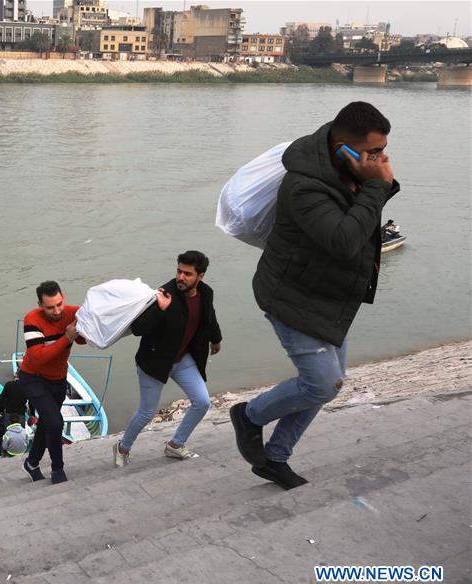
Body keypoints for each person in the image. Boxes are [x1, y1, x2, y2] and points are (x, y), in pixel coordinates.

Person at [231, 101, 399, 490]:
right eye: (373, 152)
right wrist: (376, 185)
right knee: (321, 384)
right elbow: (343, 240)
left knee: (330, 383)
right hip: (294, 296)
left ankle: (275, 458)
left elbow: (360, 221)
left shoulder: (344, 170)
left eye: (382, 150)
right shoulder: (305, 185)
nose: (381, 158)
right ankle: (249, 416)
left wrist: (375, 183)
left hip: (329, 295)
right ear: (343, 146)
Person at [113, 251, 223, 467]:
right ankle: (122, 447)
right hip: (154, 363)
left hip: (182, 360)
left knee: (202, 402)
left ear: (200, 276)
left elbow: (209, 316)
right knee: (147, 412)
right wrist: (161, 309)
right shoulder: (163, 294)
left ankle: (175, 445)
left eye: (187, 274)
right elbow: (138, 328)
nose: (181, 277)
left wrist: (216, 339)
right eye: (179, 271)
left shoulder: (206, 293)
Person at [18, 280, 85, 485]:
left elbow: (83, 339)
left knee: (47, 422)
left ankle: (32, 462)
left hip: (58, 379)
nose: (57, 311)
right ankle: (58, 470)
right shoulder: (32, 320)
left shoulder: (73, 312)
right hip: (33, 377)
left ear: (63, 298)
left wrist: (82, 328)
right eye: (50, 307)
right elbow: (38, 358)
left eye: (59, 304)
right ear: (40, 305)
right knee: (56, 422)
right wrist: (66, 337)